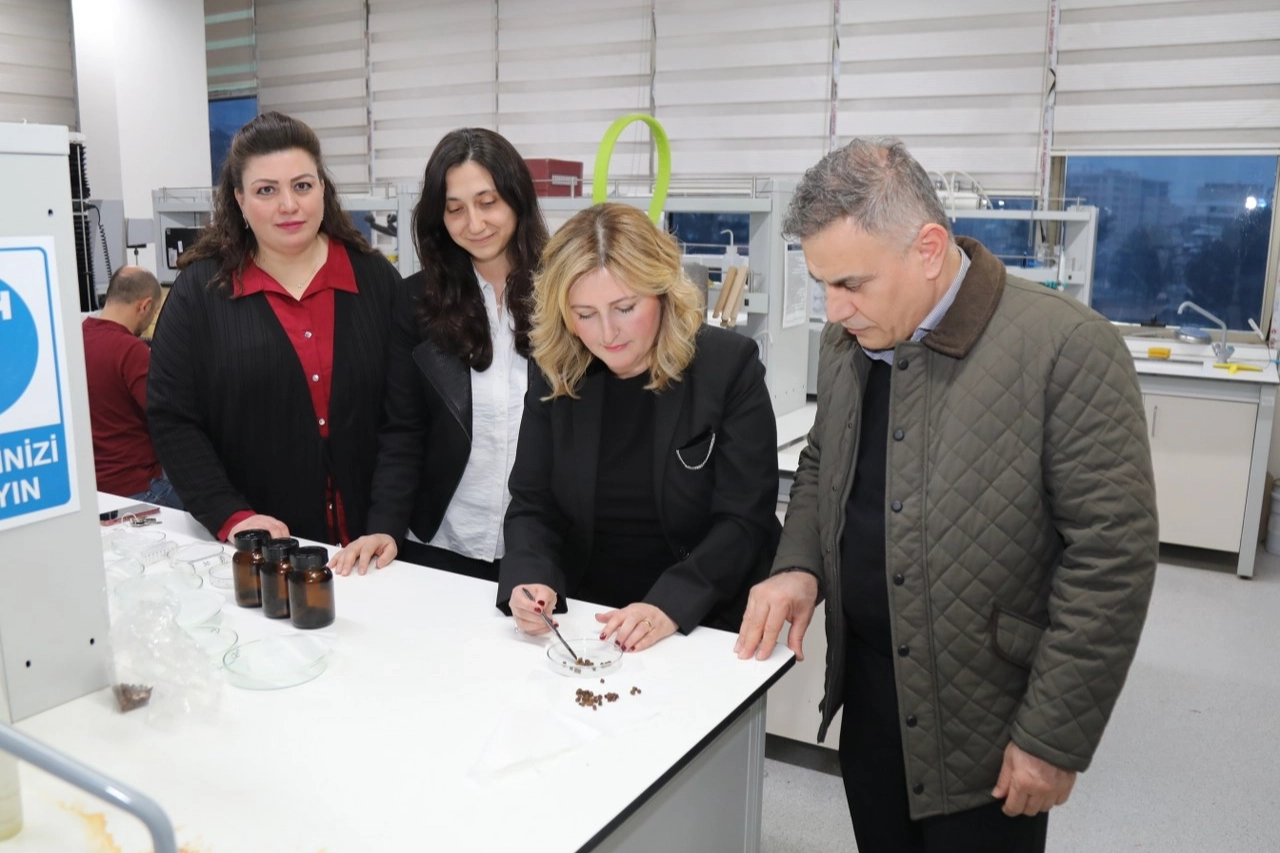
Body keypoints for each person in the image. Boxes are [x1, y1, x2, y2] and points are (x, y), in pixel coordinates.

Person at [734, 138, 1158, 853]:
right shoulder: (849, 343)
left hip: (986, 718)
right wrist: (799, 565)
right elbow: (823, 462)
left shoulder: (1066, 348)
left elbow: (1111, 558)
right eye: (823, 283)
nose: (834, 309)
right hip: (869, 689)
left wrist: (1052, 736)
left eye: (852, 283)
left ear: (928, 250)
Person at [497, 202, 781, 652]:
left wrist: (668, 605)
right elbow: (532, 504)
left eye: (625, 308)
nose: (607, 333)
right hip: (589, 619)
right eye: (584, 314)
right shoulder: (557, 371)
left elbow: (744, 520)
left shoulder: (728, 367)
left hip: (703, 617)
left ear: (662, 292)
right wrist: (531, 578)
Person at [147, 111, 402, 544]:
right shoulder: (200, 291)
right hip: (259, 548)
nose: (288, 205)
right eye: (266, 190)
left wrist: (388, 522)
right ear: (239, 200)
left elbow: (405, 416)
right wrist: (229, 514)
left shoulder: (375, 279)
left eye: (302, 186)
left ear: (323, 188)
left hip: (373, 546)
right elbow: (172, 419)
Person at [329, 128, 549, 582]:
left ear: (517, 199)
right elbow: (403, 429)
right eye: (455, 209)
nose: (474, 223)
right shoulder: (417, 301)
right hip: (442, 541)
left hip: (542, 549)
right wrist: (385, 526)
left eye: (487, 202)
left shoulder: (566, 295)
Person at [81, 266, 181, 508]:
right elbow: (168, 416)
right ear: (145, 306)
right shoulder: (131, 350)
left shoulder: (77, 337)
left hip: (95, 489)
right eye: (153, 313)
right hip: (138, 488)